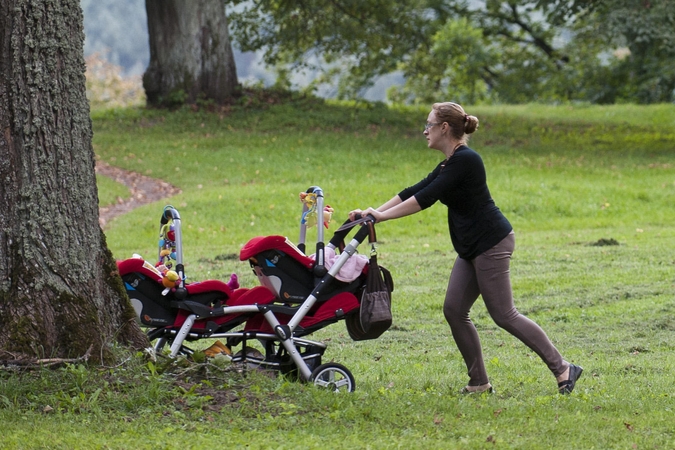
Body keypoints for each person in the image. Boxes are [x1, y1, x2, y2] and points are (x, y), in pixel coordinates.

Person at [349, 102, 582, 394]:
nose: (425, 131)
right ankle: (479, 383)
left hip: (491, 242)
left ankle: (562, 367)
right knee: (455, 309)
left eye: (429, 124)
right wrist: (373, 213)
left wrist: (381, 217)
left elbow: (427, 198)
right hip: (471, 246)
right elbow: (414, 190)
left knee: (504, 314)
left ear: (444, 128)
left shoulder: (467, 160)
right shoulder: (449, 162)